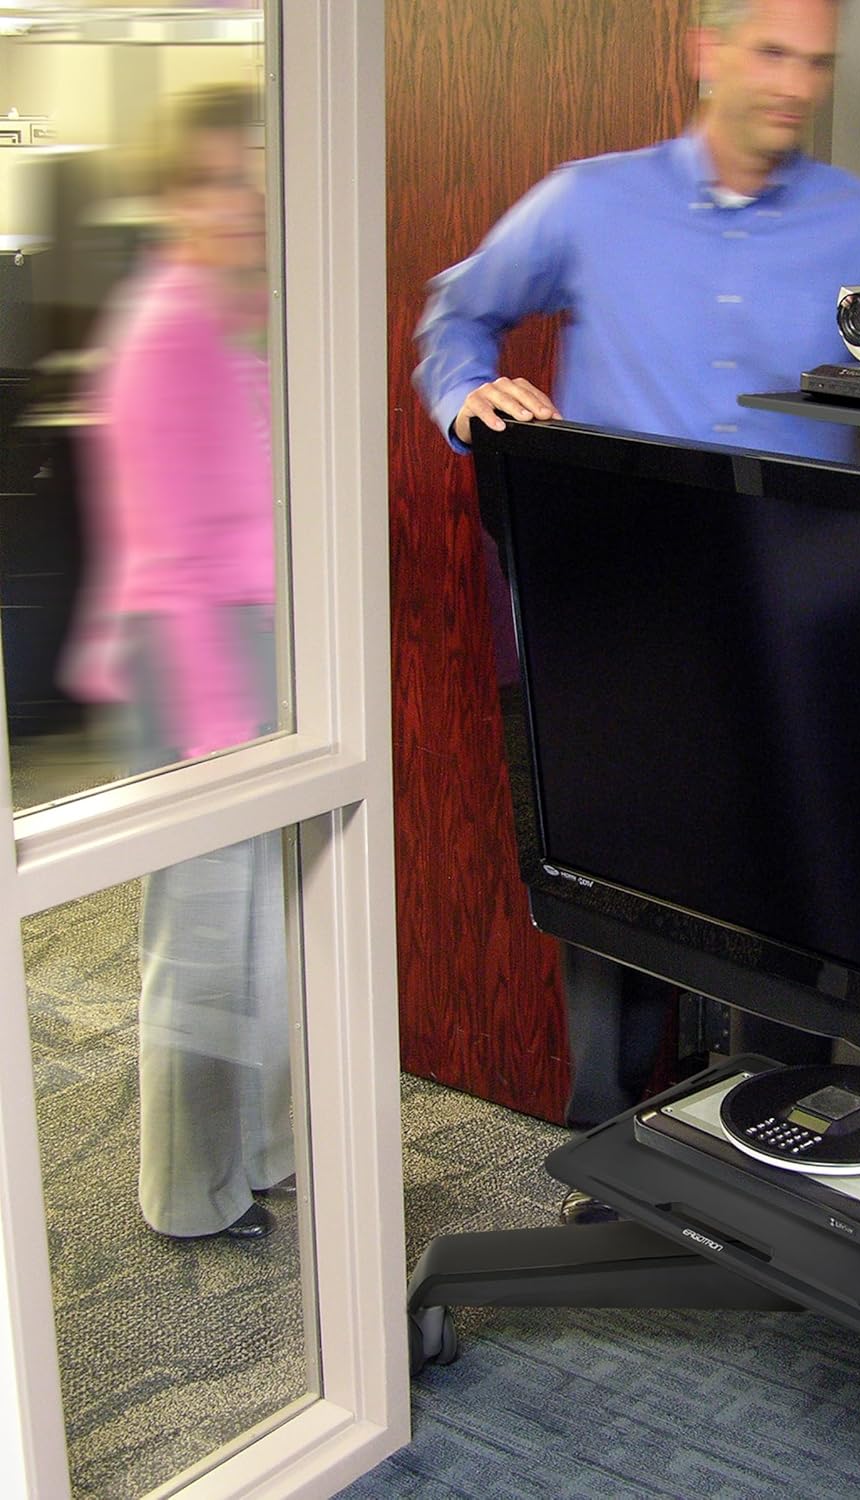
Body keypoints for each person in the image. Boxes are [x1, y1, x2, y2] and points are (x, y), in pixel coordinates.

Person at [414, 0, 860, 1127]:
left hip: (789, 625)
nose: (795, 85)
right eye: (772, 53)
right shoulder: (589, 201)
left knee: (784, 901)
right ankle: (606, 1142)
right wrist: (467, 394)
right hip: (617, 614)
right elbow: (460, 315)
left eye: (816, 64)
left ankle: (769, 1134)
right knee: (615, 881)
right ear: (706, 52)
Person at [63, 84, 293, 1241]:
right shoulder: (164, 328)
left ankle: (262, 1150)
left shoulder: (243, 311)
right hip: (187, 662)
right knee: (201, 937)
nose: (237, 199)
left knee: (264, 932)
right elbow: (173, 551)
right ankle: (188, 1196)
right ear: (167, 198)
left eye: (247, 173)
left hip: (253, 649)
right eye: (208, 179)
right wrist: (218, 740)